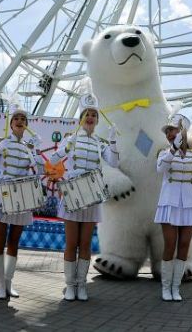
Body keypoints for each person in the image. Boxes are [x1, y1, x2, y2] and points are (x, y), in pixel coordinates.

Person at [48, 93, 118, 302]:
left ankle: (81, 284)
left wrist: (113, 141)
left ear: (97, 120)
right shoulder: (72, 139)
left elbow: (114, 163)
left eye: (94, 115)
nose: (90, 118)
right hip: (72, 195)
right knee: (71, 243)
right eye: (87, 114)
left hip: (91, 196)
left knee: (85, 244)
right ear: (81, 118)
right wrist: (64, 149)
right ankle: (70, 285)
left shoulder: (100, 142)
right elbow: (53, 159)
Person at [0, 105, 44, 299]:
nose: (19, 121)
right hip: (3, 192)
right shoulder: (3, 143)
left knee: (14, 242)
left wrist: (36, 150)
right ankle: (0, 285)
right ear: (11, 124)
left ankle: (9, 283)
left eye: (23, 119)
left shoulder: (28, 148)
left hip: (23, 194)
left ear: (26, 125)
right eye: (16, 118)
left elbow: (40, 170)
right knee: (0, 239)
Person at [155, 113, 192, 302]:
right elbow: (160, 169)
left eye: (173, 130)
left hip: (188, 205)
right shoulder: (164, 153)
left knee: (184, 246)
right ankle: (165, 288)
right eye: (168, 131)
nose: (170, 134)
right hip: (169, 204)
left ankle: (175, 287)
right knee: (170, 245)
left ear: (182, 131)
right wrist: (173, 148)